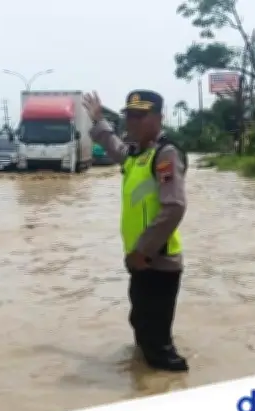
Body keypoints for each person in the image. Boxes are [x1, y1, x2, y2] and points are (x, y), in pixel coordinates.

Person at [83, 89, 189, 372]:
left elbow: (174, 207)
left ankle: (170, 396)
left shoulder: (165, 155)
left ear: (157, 118)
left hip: (157, 261)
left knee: (158, 349)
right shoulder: (137, 155)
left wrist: (143, 251)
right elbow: (115, 147)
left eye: (141, 116)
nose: (133, 122)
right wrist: (99, 120)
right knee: (141, 329)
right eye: (129, 116)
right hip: (139, 262)